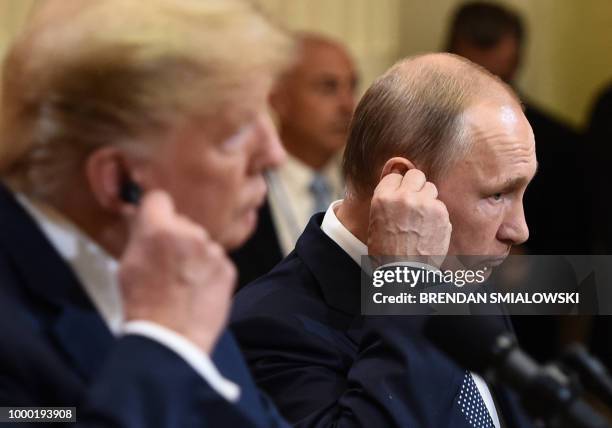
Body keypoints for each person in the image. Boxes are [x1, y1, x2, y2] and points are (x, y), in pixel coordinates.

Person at [0, 0, 293, 426]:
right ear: (119, 177)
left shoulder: (174, 265)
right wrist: (163, 345)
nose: (274, 153)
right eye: (235, 133)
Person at [231, 53, 535, 427]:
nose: (519, 230)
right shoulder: (263, 326)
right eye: (497, 195)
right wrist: (407, 281)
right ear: (405, 184)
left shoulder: (465, 281)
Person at [446, 1, 589, 364]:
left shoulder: (561, 147)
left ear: (516, 60)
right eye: (474, 78)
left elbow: (581, 276)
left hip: (528, 341)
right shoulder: (418, 139)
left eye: (498, 79)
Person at [231, 33, 357, 288]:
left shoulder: (370, 186)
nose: (347, 104)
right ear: (279, 100)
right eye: (328, 87)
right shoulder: (238, 189)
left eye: (352, 86)